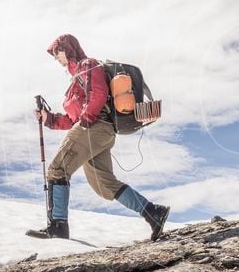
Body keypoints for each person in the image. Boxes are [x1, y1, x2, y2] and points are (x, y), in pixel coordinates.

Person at [27, 34, 170, 241]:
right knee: (104, 185)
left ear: (67, 49)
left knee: (57, 170)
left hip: (93, 128)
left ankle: (57, 227)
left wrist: (85, 122)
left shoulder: (87, 65)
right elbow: (71, 119)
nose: (55, 57)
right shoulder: (76, 77)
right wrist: (49, 118)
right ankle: (153, 213)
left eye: (56, 52)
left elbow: (99, 94)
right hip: (100, 131)